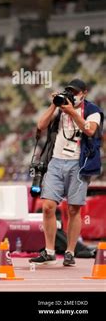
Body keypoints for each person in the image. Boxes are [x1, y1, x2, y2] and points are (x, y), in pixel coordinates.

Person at [29, 79, 103, 267]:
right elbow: (41, 124)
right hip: (56, 161)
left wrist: (71, 112)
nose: (72, 95)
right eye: (69, 91)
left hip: (79, 163)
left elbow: (91, 130)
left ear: (84, 93)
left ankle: (70, 252)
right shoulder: (60, 108)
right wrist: (53, 106)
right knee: (47, 206)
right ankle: (50, 251)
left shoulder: (93, 110)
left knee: (73, 209)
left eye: (75, 92)